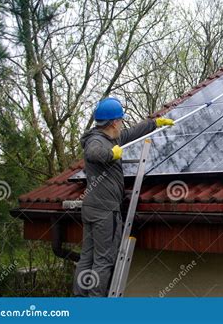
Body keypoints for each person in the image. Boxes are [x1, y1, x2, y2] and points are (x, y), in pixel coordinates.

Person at [73, 97, 174, 297]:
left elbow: (132, 133)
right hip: (103, 210)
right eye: (120, 120)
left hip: (93, 207)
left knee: (88, 256)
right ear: (112, 122)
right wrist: (111, 155)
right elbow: (93, 153)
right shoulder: (97, 141)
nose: (122, 123)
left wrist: (155, 123)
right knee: (103, 259)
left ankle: (79, 300)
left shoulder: (111, 138)